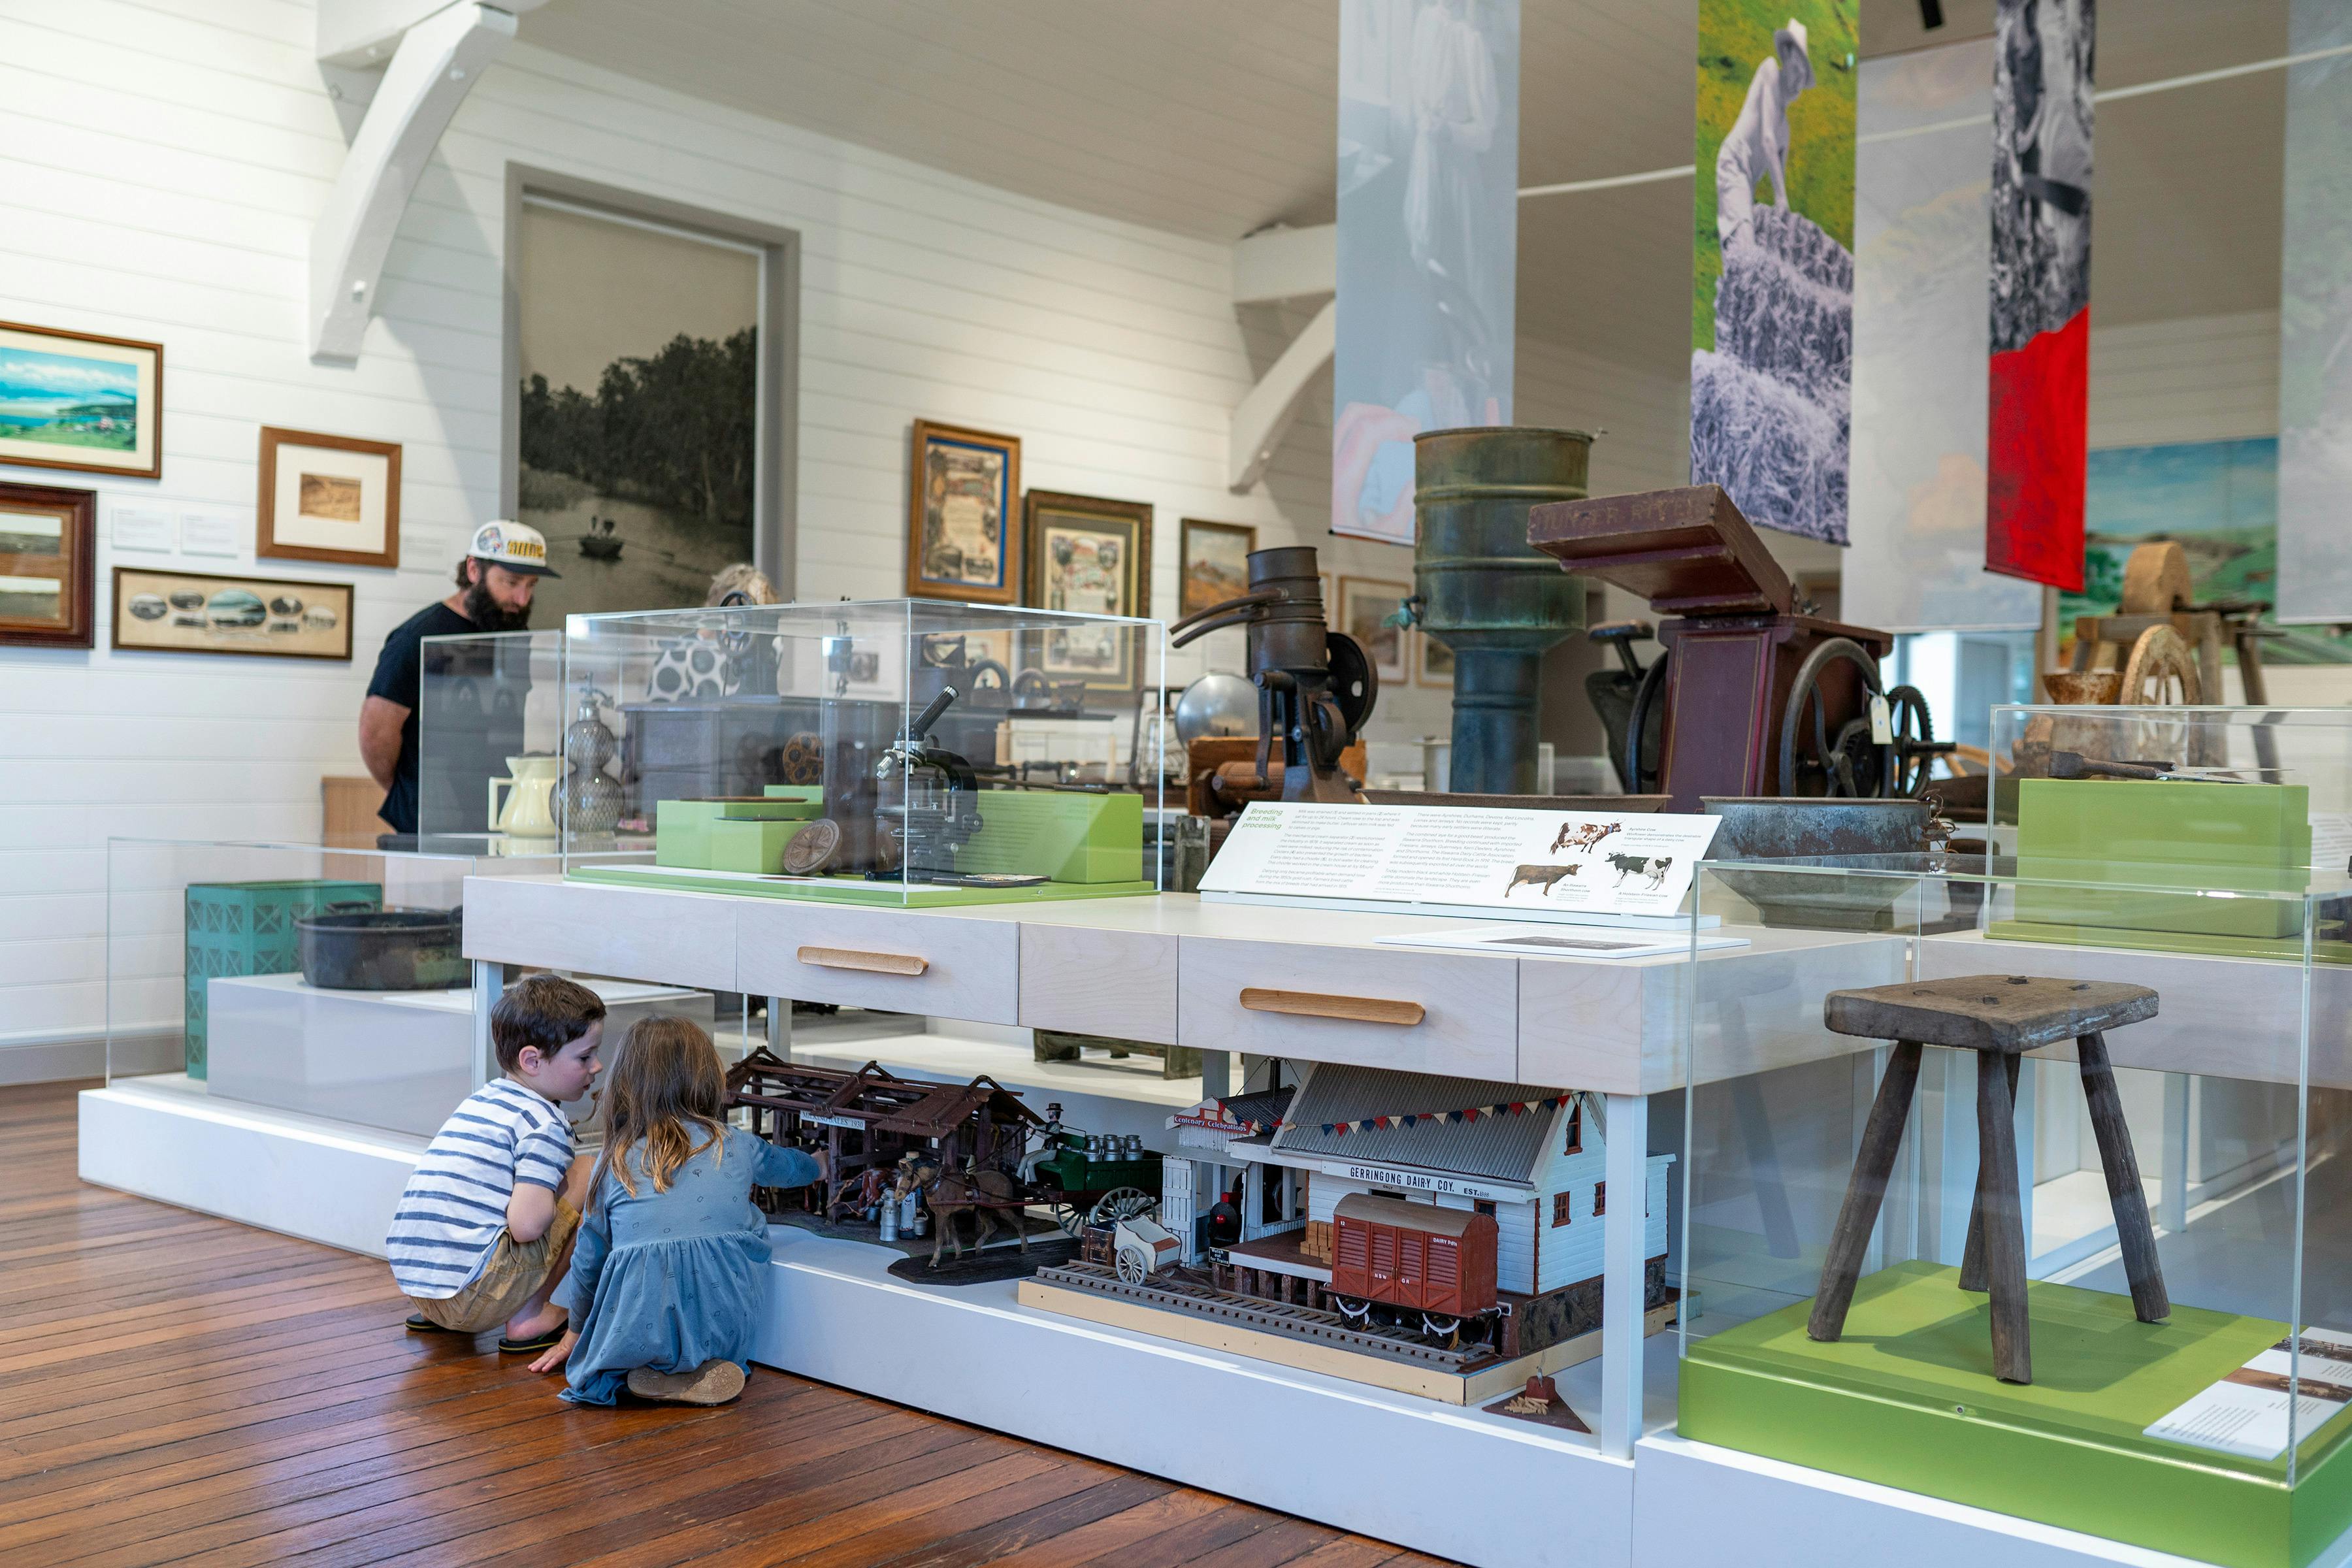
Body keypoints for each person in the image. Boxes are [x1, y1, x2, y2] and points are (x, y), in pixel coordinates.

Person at [527, 1016, 827, 1406]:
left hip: (637, 1323)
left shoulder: (613, 1160)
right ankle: (701, 1367)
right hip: (725, 1316)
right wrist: (820, 1163)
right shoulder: (735, 1143)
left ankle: (640, 1367)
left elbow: (589, 1259)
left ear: (625, 1084)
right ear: (706, 1078)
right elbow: (791, 1169)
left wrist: (576, 1332)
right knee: (750, 1219)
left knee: (629, 1269)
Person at [387, 973, 606, 1352]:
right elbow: (525, 1226)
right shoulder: (543, 1124)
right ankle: (530, 1315)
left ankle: (453, 1311)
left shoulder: (480, 1102)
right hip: (471, 1297)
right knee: (588, 1171)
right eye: (585, 1057)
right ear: (532, 1060)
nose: (597, 1066)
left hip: (419, 1289)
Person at [359, 519, 559, 836]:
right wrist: (414, 791)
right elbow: (376, 732)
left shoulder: (515, 635)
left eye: (531, 585)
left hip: (502, 815)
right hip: (431, 819)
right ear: (473, 570)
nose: (522, 599)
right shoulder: (417, 637)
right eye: (512, 582)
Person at [1714, 19, 1816, 251]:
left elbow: (1778, 178)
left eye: (1804, 78)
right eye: (1799, 70)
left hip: (1746, 183)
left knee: (1741, 250)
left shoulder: (1785, 131)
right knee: (1744, 244)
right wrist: (1781, 198)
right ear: (1788, 56)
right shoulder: (1770, 71)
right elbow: (1766, 139)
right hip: (1734, 163)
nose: (1800, 82)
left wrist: (1783, 211)